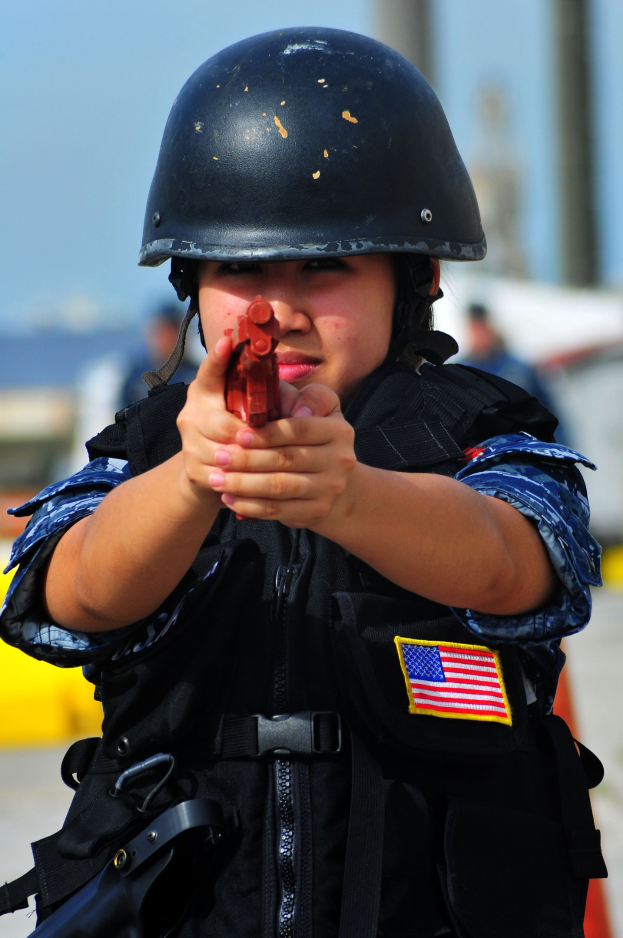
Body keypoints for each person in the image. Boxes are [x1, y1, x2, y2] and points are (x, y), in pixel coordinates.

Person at [0, 27, 606, 938]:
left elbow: (516, 564)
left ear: (417, 277)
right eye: (239, 267)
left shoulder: (486, 438)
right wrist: (189, 478)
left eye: (325, 265)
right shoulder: (144, 454)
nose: (274, 307)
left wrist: (352, 496)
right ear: (190, 280)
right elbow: (68, 593)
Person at [120, 302, 198, 407]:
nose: (168, 338)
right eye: (164, 331)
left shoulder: (195, 374)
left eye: (173, 331)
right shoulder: (137, 376)